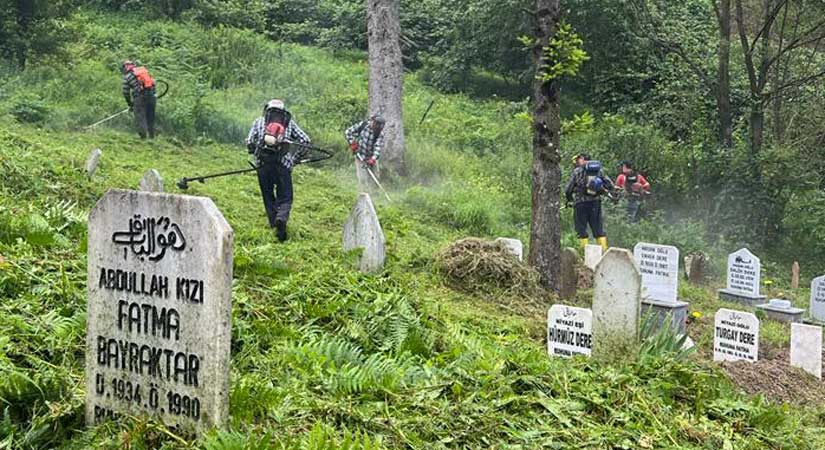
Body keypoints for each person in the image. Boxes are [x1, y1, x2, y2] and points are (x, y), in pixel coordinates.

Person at [246, 99, 311, 242]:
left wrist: (256, 151)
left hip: (263, 166)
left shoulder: (258, 122)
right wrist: (295, 159)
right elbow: (306, 141)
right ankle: (281, 218)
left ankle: (274, 226)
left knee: (268, 196)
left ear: (267, 110)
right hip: (283, 166)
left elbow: (249, 142)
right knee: (286, 197)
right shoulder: (289, 124)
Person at [564, 155, 614, 251]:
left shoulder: (577, 171)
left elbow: (568, 190)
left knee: (581, 229)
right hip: (595, 203)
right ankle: (603, 252)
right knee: (598, 229)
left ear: (583, 159)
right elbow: (609, 185)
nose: (577, 162)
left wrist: (569, 200)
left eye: (578, 159)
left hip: (580, 204)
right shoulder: (599, 171)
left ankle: (582, 254)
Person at [344, 115, 385, 189]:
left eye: (380, 126)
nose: (378, 127)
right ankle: (363, 194)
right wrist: (352, 143)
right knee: (362, 179)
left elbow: (377, 147)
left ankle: (375, 194)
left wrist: (373, 159)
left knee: (375, 178)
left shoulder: (380, 134)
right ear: (373, 122)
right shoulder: (363, 125)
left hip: (371, 158)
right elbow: (348, 132)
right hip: (360, 156)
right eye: (376, 124)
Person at [121, 60, 156, 139]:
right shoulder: (144, 71)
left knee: (140, 116)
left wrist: (130, 103)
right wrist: (153, 94)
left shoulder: (127, 77)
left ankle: (143, 137)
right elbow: (153, 83)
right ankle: (152, 137)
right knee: (150, 116)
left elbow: (125, 92)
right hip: (151, 96)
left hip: (140, 97)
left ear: (125, 67)